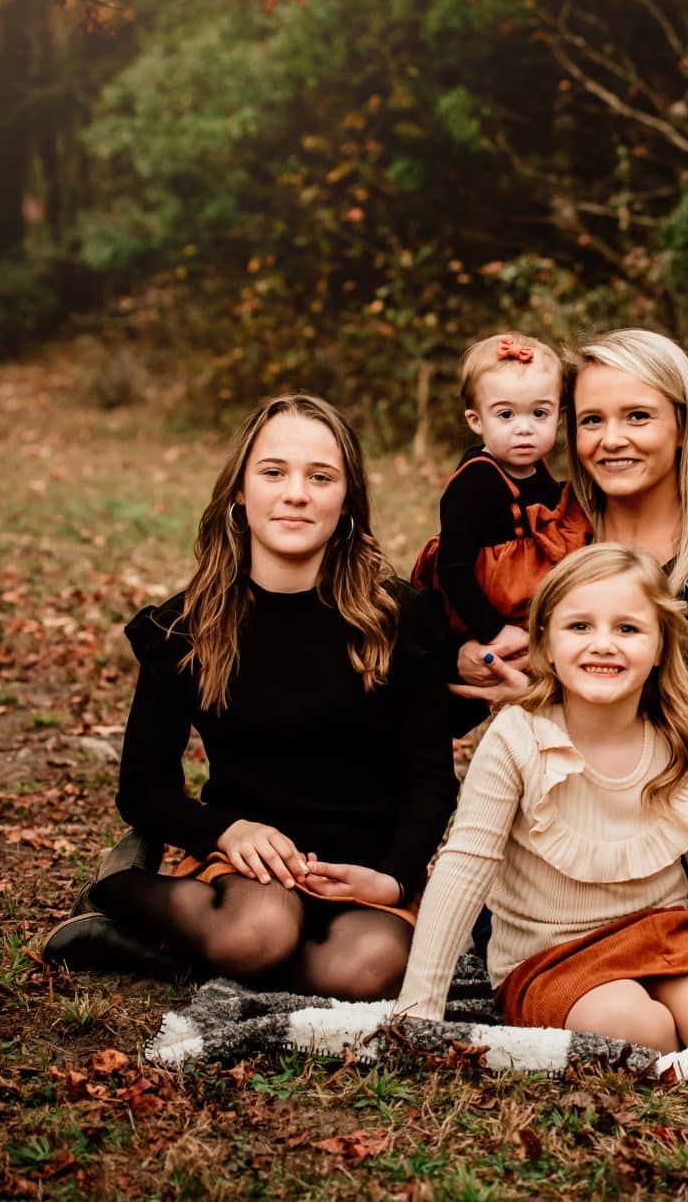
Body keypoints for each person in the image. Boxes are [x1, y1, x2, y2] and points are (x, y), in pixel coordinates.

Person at [336, 544, 688, 1058]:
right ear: (545, 642)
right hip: (551, 956)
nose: (603, 645)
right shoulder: (519, 737)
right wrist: (421, 1003)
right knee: (632, 1033)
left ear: (662, 644)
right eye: (579, 626)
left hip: (665, 938)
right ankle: (679, 1032)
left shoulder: (685, 741)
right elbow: (464, 867)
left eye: (627, 629)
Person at [40, 394, 459, 1000]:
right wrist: (227, 832)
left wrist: (393, 879)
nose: (296, 494)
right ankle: (118, 890)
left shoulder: (400, 620)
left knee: (367, 971)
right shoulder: (188, 627)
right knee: (258, 933)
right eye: (273, 472)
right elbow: (143, 787)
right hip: (247, 867)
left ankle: (168, 959)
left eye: (321, 477)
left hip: (361, 869)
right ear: (240, 490)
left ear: (347, 499)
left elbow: (431, 779)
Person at [454, 327, 688, 701]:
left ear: (683, 426)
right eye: (592, 420)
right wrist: (465, 652)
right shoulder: (548, 531)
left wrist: (539, 700)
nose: (612, 439)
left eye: (637, 416)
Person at [419, 332, 587, 657]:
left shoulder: (537, 470)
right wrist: (492, 630)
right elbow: (452, 568)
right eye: (506, 415)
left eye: (539, 413)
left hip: (528, 605)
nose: (524, 428)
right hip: (487, 615)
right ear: (476, 420)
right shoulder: (474, 483)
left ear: (560, 416)